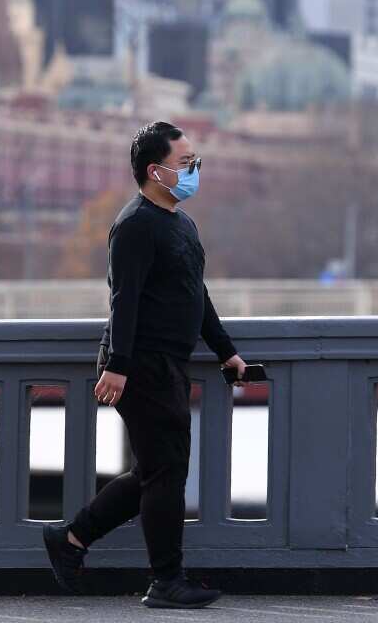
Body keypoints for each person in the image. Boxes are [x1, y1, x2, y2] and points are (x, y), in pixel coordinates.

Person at [43, 121, 248, 610]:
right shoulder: (134, 225)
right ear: (156, 171)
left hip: (167, 363)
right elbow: (124, 300)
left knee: (157, 470)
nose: (194, 170)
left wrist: (226, 350)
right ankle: (165, 580)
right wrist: (118, 365)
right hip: (142, 365)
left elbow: (195, 295)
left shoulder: (181, 223)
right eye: (185, 163)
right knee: (166, 471)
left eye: (195, 161)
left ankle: (72, 539)